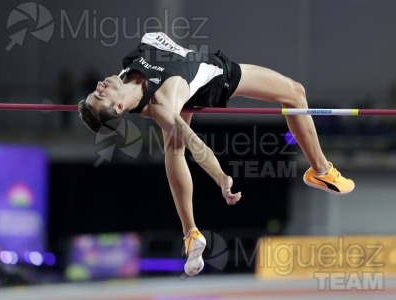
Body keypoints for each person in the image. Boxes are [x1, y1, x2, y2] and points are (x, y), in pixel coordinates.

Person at [78, 32, 355, 276]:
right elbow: (198, 147)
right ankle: (321, 171)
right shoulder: (162, 105)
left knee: (173, 148)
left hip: (189, 70)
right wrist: (222, 178)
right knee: (296, 93)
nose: (99, 87)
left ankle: (191, 234)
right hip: (218, 76)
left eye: (95, 91)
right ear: (117, 108)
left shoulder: (126, 71)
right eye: (100, 96)